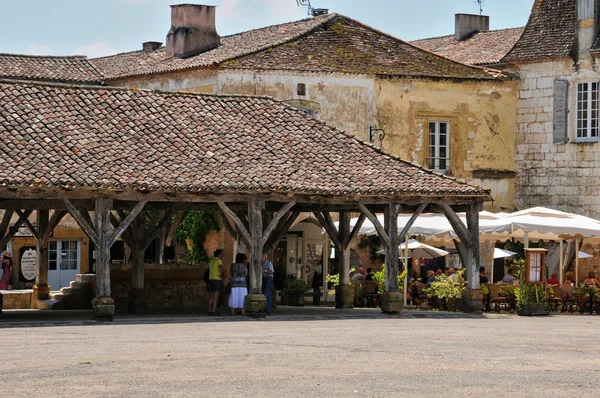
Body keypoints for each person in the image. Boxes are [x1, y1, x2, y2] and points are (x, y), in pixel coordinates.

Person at [207, 249, 224, 315]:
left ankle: (209, 310)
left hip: (211, 279)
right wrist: (222, 274)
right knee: (216, 296)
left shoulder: (211, 261)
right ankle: (214, 311)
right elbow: (221, 268)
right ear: (219, 254)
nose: (222, 255)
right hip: (217, 279)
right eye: (222, 254)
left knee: (212, 296)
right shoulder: (219, 260)